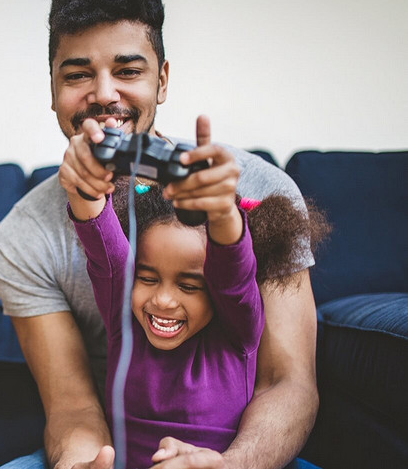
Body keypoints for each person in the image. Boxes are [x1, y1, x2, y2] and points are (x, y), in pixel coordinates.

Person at [0, 0, 322, 468]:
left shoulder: (261, 189)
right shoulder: (21, 237)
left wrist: (230, 465)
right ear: (52, 89)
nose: (104, 94)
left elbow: (288, 383)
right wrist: (84, 463)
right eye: (78, 74)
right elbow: (72, 405)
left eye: (127, 70)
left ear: (161, 80)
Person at [64, 163, 327, 467]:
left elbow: (234, 273)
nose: (162, 300)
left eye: (188, 286)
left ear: (216, 291)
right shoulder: (123, 321)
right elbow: (105, 250)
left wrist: (223, 212)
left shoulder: (237, 332)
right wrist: (84, 185)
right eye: (147, 279)